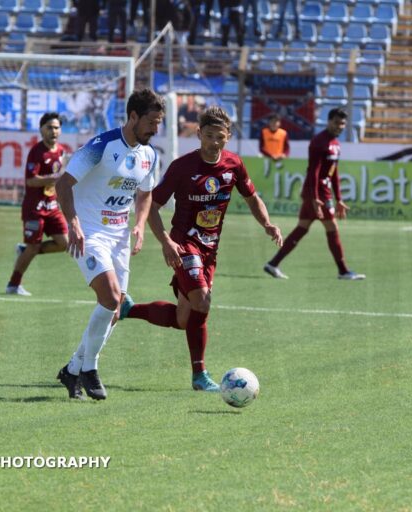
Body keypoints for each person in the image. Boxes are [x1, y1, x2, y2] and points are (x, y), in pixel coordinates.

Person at [119, 106, 283, 392]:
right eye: (208, 136)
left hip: (210, 250)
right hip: (184, 244)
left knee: (185, 319)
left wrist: (267, 224)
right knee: (203, 302)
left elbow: (252, 197)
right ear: (198, 134)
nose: (214, 142)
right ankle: (200, 375)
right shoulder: (182, 167)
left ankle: (128, 309)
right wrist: (166, 242)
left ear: (228, 136)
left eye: (220, 137)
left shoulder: (233, 165)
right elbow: (152, 206)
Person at [55, 89, 165, 400]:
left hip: (119, 237)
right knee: (111, 296)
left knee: (115, 309)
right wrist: (73, 224)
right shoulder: (101, 146)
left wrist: (141, 224)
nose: (156, 130)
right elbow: (63, 183)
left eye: (159, 123)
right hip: (90, 232)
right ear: (133, 116)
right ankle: (90, 368)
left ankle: (72, 369)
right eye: (152, 122)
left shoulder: (149, 155)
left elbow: (145, 194)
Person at [264, 108, 365, 281]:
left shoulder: (335, 143)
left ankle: (273, 264)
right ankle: (343, 271)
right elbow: (313, 172)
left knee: (302, 228)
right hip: (318, 194)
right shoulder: (319, 142)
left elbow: (333, 172)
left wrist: (339, 198)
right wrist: (315, 198)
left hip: (320, 193)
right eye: (336, 122)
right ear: (328, 122)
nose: (339, 126)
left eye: (342, 123)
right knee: (331, 228)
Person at [6, 112, 69, 296]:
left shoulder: (61, 151)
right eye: (49, 127)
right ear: (41, 129)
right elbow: (31, 181)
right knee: (33, 246)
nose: (53, 131)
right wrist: (54, 178)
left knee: (65, 244)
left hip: (52, 207)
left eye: (56, 127)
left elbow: (59, 177)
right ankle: (13, 285)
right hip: (34, 209)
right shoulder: (37, 152)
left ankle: (25, 251)